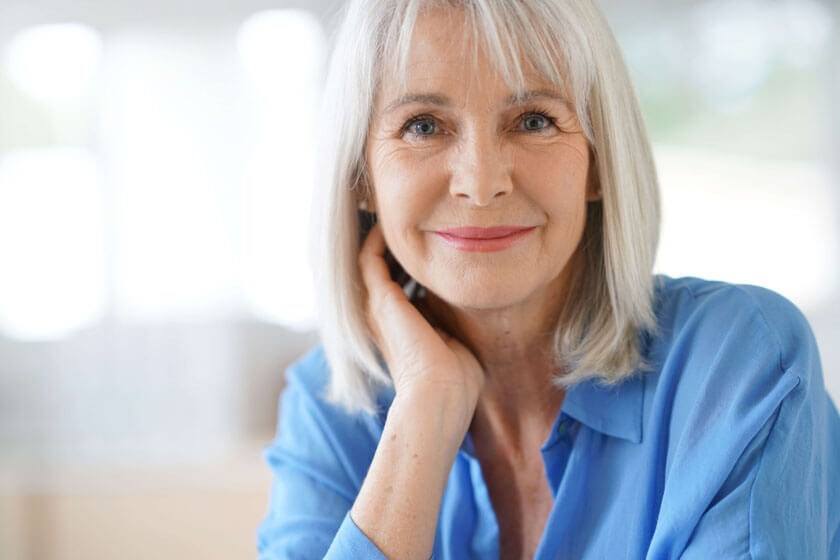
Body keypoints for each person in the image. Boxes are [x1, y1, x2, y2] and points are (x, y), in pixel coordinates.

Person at [257, 0, 840, 558]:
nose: (481, 183)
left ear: (597, 162)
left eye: (533, 120)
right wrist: (425, 404)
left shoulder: (738, 363)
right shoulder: (331, 404)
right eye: (423, 126)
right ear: (362, 178)